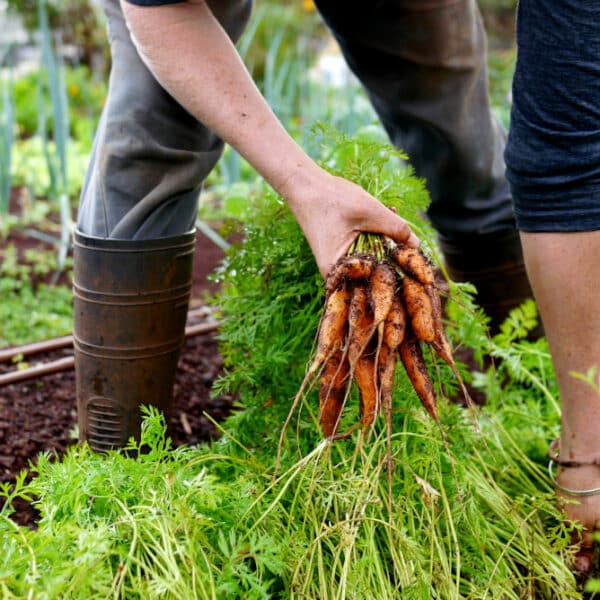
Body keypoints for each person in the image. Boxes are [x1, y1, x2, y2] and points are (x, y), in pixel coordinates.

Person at [81, 0, 600, 567]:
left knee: (460, 140)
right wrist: (303, 186)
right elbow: (163, 14)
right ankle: (119, 479)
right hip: (174, 11)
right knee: (154, 129)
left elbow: (567, 147)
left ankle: (522, 384)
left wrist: (587, 451)